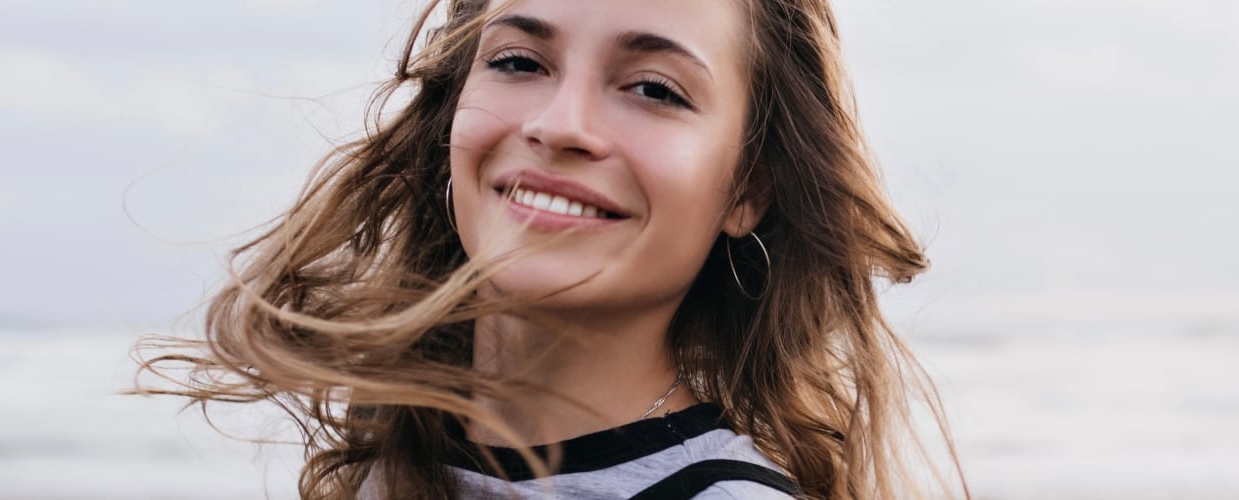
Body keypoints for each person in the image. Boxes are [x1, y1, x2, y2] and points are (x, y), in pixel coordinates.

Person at [136, 0, 966, 497]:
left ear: (748, 187)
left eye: (653, 89)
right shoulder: (387, 470)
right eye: (519, 61)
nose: (559, 124)